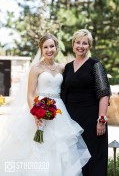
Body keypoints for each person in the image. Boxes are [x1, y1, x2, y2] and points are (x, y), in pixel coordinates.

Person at [0, 33, 91, 176]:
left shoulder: (62, 68)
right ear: (41, 49)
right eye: (46, 47)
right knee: (38, 148)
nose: (49, 50)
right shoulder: (36, 68)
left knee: (59, 148)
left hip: (59, 112)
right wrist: (35, 114)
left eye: (52, 46)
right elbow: (30, 94)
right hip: (39, 109)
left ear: (56, 47)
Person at [61, 29, 111, 176]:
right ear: (73, 44)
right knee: (75, 159)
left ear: (89, 46)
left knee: (94, 158)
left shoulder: (95, 65)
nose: (81, 46)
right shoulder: (68, 67)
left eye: (85, 43)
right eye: (78, 42)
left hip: (92, 119)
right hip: (72, 120)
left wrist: (101, 119)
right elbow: (63, 93)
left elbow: (104, 94)